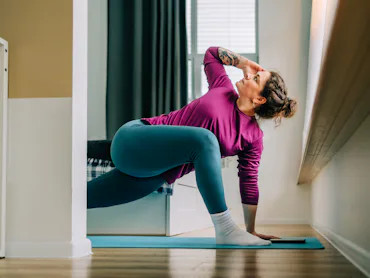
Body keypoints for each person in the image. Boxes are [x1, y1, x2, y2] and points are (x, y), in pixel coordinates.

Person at [87, 46, 297, 246]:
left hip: (151, 175)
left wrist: (250, 231)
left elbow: (249, 180)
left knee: (81, 199)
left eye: (256, 78)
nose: (249, 75)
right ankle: (225, 229)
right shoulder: (223, 88)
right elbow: (212, 54)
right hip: (133, 138)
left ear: (259, 98)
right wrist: (244, 63)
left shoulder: (253, 137)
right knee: (205, 139)